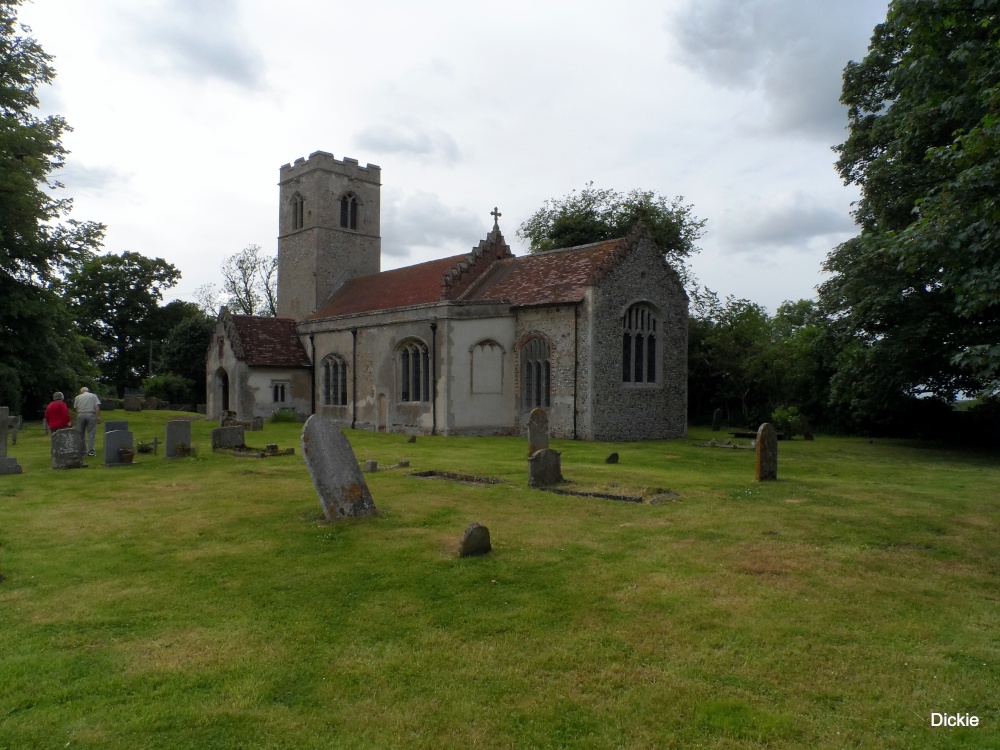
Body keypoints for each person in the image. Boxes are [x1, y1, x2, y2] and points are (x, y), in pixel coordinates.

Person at [73, 386, 102, 456]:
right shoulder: (93, 396)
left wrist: (78, 415)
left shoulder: (77, 397)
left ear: (81, 392)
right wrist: (97, 416)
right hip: (90, 414)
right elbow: (97, 407)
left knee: (80, 433)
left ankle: (82, 450)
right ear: (88, 391)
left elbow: (76, 408)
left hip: (80, 414)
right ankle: (91, 451)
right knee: (91, 433)